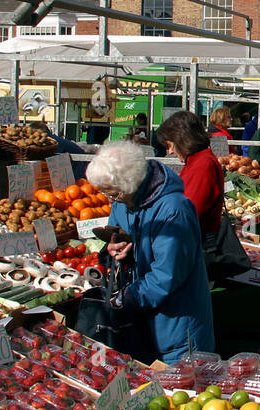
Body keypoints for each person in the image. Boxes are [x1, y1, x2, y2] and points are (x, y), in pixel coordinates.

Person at [87, 141, 214, 362]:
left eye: (114, 194)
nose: (110, 200)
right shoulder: (123, 201)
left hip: (177, 328)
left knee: (181, 390)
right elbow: (117, 238)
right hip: (143, 323)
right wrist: (113, 250)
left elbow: (168, 274)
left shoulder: (174, 210)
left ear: (129, 185)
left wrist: (128, 298)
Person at [157, 111, 223, 237]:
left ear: (182, 140)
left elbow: (188, 211)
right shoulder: (197, 161)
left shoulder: (203, 164)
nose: (170, 151)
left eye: (170, 145)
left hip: (198, 240)